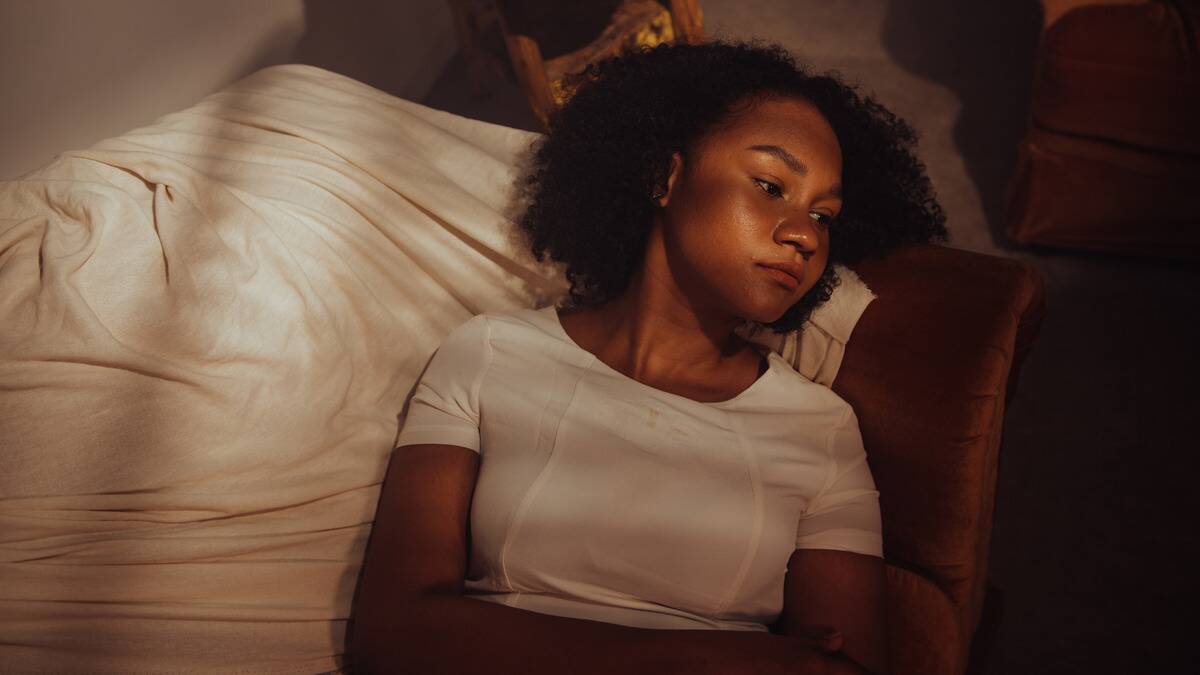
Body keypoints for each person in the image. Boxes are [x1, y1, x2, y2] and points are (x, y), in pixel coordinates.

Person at [348, 40, 946, 675]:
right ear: (666, 176)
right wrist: (726, 659)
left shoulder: (822, 428)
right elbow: (392, 634)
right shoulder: (492, 351)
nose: (803, 235)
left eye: (824, 217)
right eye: (771, 186)